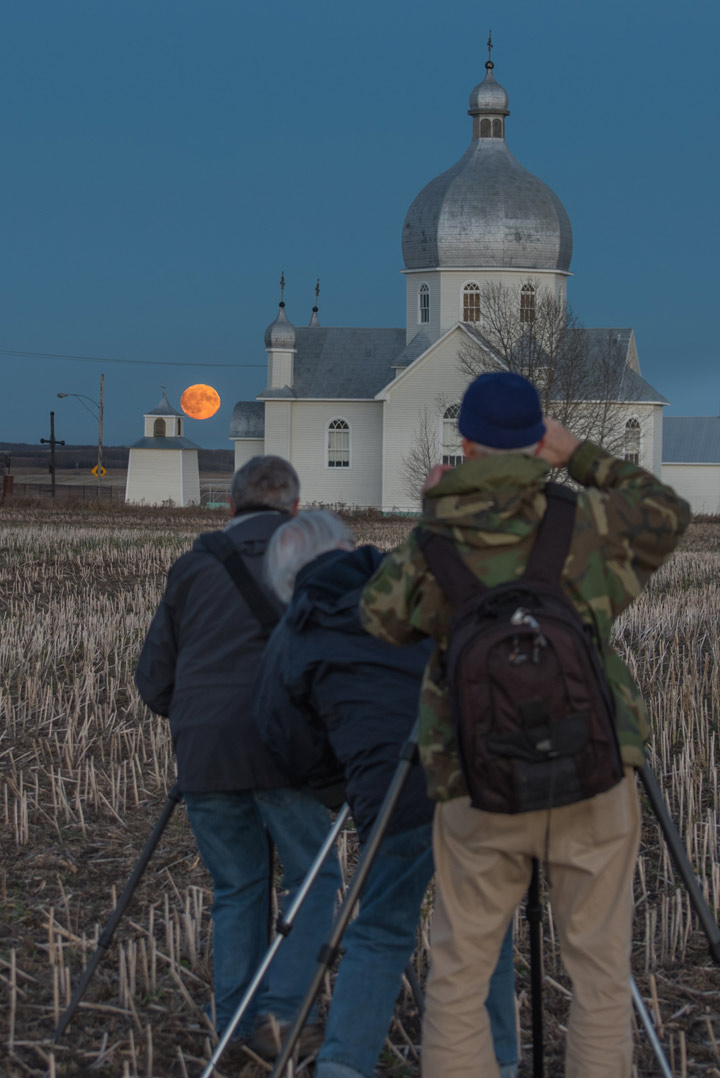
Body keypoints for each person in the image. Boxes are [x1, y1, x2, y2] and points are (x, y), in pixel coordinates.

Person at [360, 371, 691, 1078]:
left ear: (466, 441)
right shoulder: (589, 526)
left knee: (459, 976)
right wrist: (580, 458)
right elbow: (666, 510)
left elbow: (379, 619)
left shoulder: (435, 540)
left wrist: (432, 523)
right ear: (539, 439)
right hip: (593, 776)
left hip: (478, 781)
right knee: (600, 976)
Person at [253, 509, 518, 1078]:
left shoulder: (295, 631)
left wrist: (343, 777)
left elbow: (286, 738)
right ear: (350, 547)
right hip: (476, 777)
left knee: (380, 930)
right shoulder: (415, 583)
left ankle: (344, 1067)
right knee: (484, 930)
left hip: (393, 792)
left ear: (286, 581)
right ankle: (497, 1062)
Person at [135, 456, 341, 1053]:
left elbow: (154, 680)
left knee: (238, 889)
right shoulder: (316, 563)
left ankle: (232, 1031)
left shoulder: (192, 569)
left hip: (207, 755)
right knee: (313, 880)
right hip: (287, 753)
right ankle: (280, 1015)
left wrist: (204, 722)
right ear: (296, 510)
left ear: (230, 506)